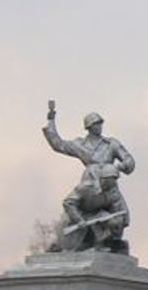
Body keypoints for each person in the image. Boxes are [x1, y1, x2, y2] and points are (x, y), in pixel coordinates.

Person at [43, 105, 136, 253]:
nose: (99, 126)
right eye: (96, 124)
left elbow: (129, 161)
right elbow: (58, 144)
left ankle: (111, 241)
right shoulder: (80, 144)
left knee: (119, 217)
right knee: (77, 212)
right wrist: (51, 120)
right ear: (89, 127)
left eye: (100, 123)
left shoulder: (111, 144)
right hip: (90, 182)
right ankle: (72, 242)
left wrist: (121, 166)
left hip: (109, 181)